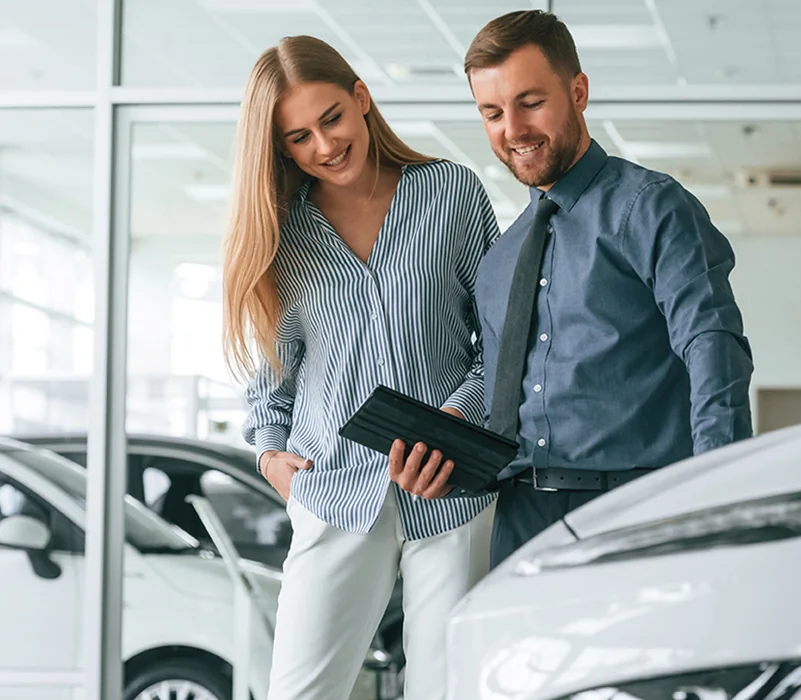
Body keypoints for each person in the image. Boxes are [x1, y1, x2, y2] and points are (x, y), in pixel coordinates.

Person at [389, 10, 755, 569]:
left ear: (578, 92)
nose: (512, 129)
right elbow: (498, 394)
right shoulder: (501, 257)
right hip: (520, 523)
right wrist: (453, 457)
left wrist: (715, 491)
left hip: (636, 507)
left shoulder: (650, 207)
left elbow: (712, 343)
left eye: (530, 102)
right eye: (492, 112)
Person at [222, 35, 496, 700]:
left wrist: (456, 416)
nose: (323, 145)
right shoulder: (281, 237)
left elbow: (500, 346)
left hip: (450, 487)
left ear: (361, 100)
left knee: (449, 690)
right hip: (335, 489)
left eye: (331, 118)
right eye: (297, 137)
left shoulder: (450, 194)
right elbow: (269, 384)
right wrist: (268, 458)